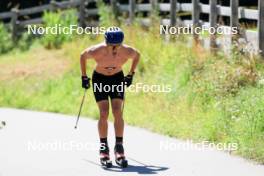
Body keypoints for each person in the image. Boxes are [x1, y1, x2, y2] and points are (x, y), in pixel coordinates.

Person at [80, 27, 140, 167]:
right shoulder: (96, 50)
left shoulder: (127, 51)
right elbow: (83, 55)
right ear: (105, 42)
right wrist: (84, 76)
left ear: (121, 43)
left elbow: (137, 55)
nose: (114, 49)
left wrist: (131, 74)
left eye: (116, 46)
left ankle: (119, 147)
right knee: (104, 113)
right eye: (110, 46)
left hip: (117, 79)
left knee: (117, 111)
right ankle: (103, 148)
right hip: (100, 79)